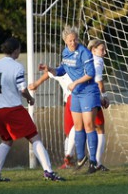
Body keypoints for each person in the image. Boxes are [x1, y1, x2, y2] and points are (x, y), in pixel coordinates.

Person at [0, 37, 64, 182]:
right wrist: (30, 98)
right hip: (12, 108)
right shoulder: (17, 66)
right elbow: (22, 89)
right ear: (16, 51)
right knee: (34, 137)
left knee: (6, 141)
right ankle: (49, 172)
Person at [39, 26, 102, 174]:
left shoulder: (84, 52)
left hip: (88, 91)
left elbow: (91, 74)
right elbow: (62, 70)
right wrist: (50, 69)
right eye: (70, 40)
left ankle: (93, 162)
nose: (73, 42)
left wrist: (75, 83)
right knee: (78, 126)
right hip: (76, 94)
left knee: (89, 125)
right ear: (65, 41)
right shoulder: (65, 52)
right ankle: (81, 158)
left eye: (75, 39)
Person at [29, 69, 77, 169]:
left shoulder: (63, 70)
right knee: (89, 129)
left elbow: (49, 73)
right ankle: (92, 161)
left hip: (69, 101)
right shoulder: (71, 69)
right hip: (77, 99)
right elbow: (49, 73)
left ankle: (69, 159)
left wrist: (36, 84)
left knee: (71, 132)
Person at [88, 39, 110, 171]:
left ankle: (84, 159)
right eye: (102, 49)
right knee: (99, 128)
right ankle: (97, 162)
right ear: (93, 50)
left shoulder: (85, 59)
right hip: (93, 96)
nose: (105, 52)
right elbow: (98, 80)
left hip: (79, 96)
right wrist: (104, 96)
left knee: (85, 127)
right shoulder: (98, 61)